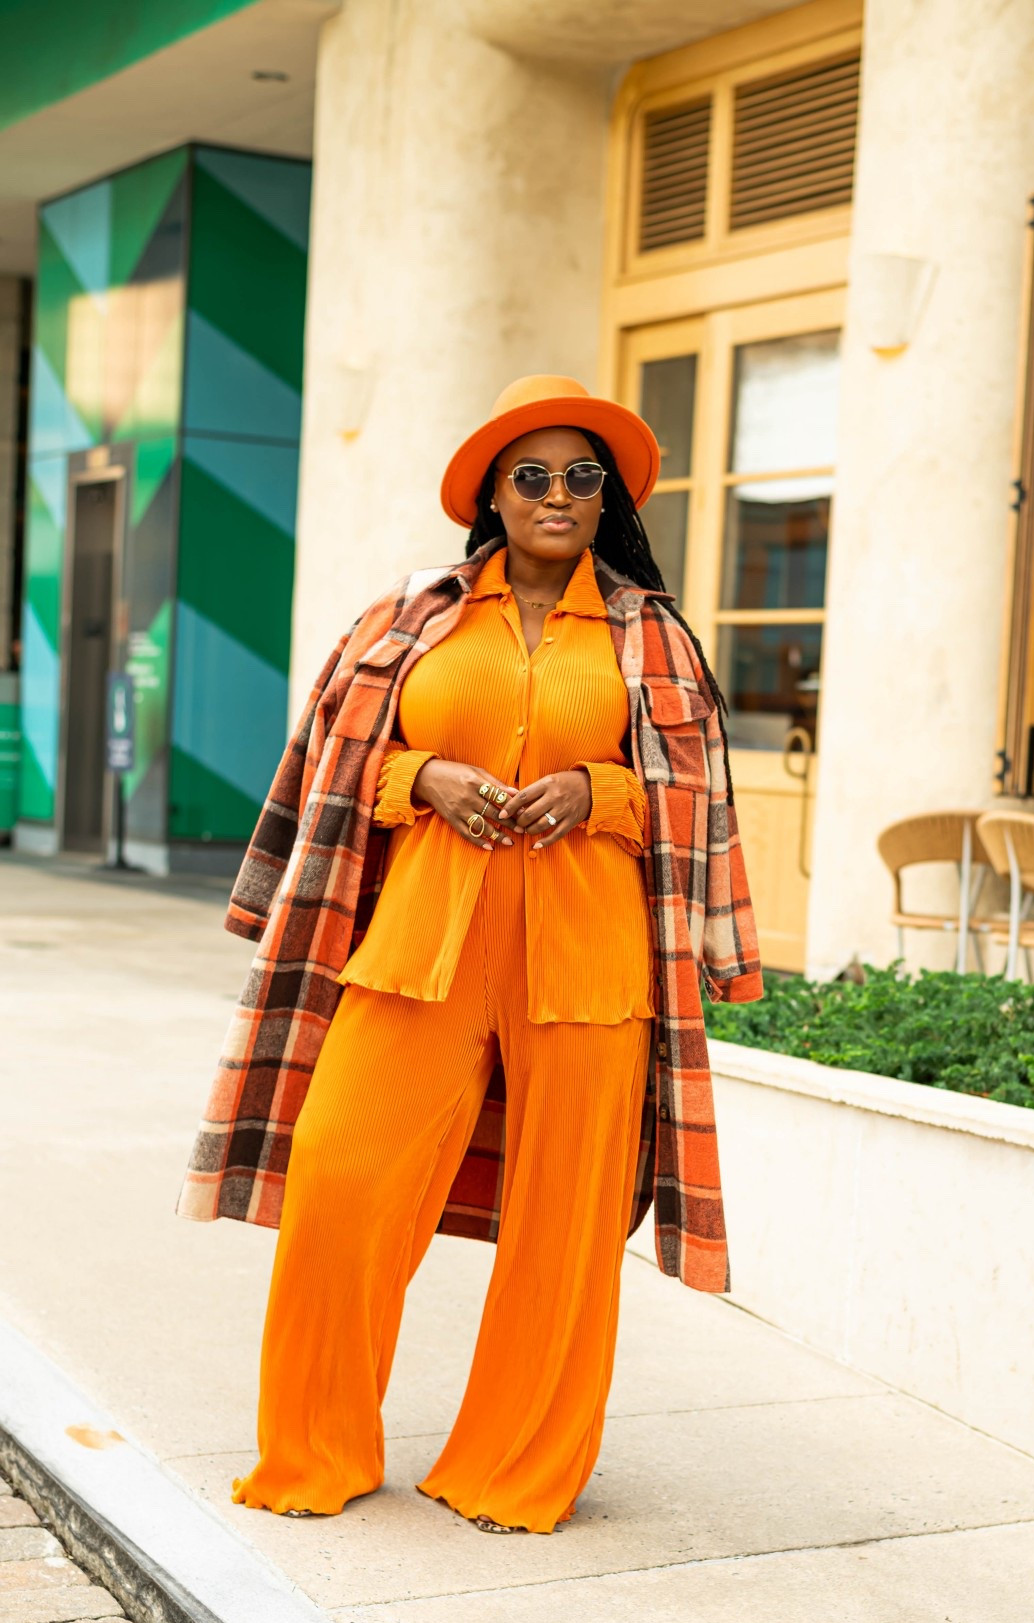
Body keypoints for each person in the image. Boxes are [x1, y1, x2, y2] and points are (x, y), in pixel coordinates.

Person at [179, 374, 762, 1534]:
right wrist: (422, 777)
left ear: (608, 500)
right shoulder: (411, 617)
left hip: (590, 966)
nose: (557, 494)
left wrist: (594, 790)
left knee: (564, 1229)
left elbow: (690, 804)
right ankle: (314, 1449)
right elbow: (340, 773)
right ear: (494, 494)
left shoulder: (652, 636)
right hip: (416, 953)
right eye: (532, 474)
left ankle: (516, 1467)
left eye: (581, 476)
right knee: (340, 1184)